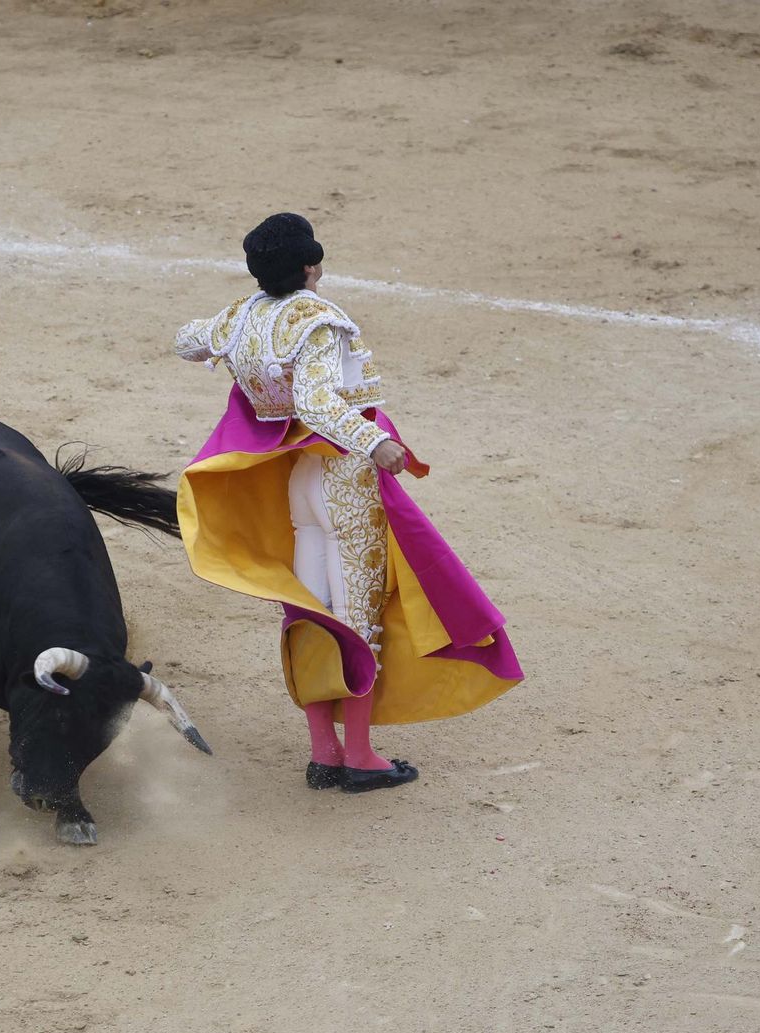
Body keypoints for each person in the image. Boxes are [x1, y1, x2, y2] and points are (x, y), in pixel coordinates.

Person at [173, 213, 522, 792]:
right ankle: (358, 757)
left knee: (311, 612)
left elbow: (187, 339)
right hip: (344, 482)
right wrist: (375, 441)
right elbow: (314, 403)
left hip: (298, 485)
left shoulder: (244, 316)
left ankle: (322, 754)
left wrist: (241, 348)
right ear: (311, 266)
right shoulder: (318, 322)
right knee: (356, 618)